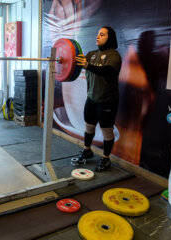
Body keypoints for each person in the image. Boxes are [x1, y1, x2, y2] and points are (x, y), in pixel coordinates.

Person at [74, 26, 122, 172]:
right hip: (92, 98)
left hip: (107, 100)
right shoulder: (91, 54)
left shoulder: (114, 56)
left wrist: (88, 65)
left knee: (107, 130)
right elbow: (78, 63)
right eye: (97, 34)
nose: (98, 36)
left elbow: (107, 71)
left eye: (102, 34)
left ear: (110, 38)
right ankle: (87, 150)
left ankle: (106, 158)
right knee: (89, 126)